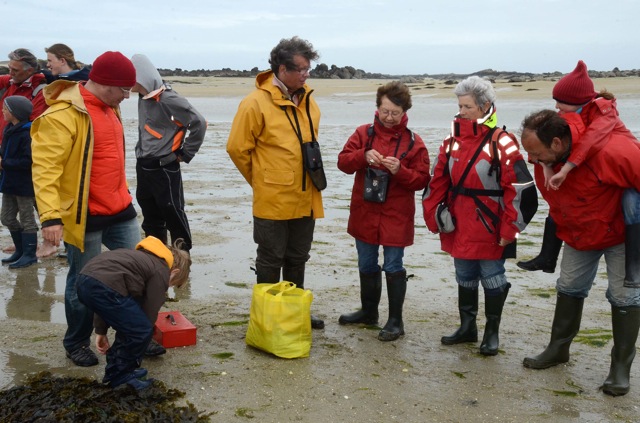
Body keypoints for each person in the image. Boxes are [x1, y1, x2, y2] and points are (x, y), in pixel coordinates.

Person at [30, 51, 142, 367]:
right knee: (84, 283)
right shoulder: (62, 116)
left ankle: (134, 336)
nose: (127, 96)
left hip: (121, 209)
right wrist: (51, 217)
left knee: (136, 275)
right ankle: (76, 342)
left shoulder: (111, 108)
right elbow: (45, 170)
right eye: (124, 89)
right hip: (84, 217)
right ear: (105, 83)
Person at [520, 109, 640, 397]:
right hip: (577, 233)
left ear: (558, 144)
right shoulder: (544, 159)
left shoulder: (614, 152)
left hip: (621, 235)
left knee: (624, 296)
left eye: (536, 154)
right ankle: (557, 349)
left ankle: (620, 368)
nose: (531, 160)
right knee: (569, 287)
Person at [422, 76, 537, 356]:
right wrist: (433, 216)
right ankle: (467, 328)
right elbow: (436, 181)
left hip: (491, 225)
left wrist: (510, 230)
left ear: (485, 107)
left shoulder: (503, 142)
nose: (461, 112)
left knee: (492, 276)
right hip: (458, 223)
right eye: (460, 106)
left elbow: (521, 191)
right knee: (464, 274)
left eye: (467, 106)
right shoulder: (451, 141)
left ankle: (491, 333)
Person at [226, 36, 325, 329]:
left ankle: (294, 314)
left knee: (298, 258)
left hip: (306, 194)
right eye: (302, 69)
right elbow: (236, 148)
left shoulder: (308, 99)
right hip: (272, 199)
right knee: (270, 259)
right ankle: (267, 320)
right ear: (282, 69)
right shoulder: (254, 103)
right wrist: (263, 180)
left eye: (309, 69)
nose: (307, 74)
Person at [517, 60, 640, 290]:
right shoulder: (562, 128)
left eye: (561, 104)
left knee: (632, 205)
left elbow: (590, 142)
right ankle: (547, 256)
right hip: (580, 231)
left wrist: (567, 166)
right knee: (559, 201)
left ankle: (635, 265)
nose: (557, 108)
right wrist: (544, 163)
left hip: (622, 212)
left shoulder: (605, 124)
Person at [337, 81, 430, 341]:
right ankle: (369, 312)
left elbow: (422, 180)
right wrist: (363, 156)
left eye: (395, 113)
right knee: (366, 263)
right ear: (377, 108)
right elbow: (342, 162)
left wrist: (400, 171)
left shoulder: (414, 142)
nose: (389, 118)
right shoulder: (363, 133)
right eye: (385, 111)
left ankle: (395, 321)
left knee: (393, 265)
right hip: (364, 212)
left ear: (405, 112)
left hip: (396, 214)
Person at [77, 236, 191, 390]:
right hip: (104, 286)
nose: (167, 286)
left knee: (132, 326)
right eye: (171, 284)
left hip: (85, 280)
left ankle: (117, 369)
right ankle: (121, 376)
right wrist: (144, 336)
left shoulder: (140, 258)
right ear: (174, 272)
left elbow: (105, 293)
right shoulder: (161, 269)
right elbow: (150, 309)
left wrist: (101, 331)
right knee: (141, 330)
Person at [130, 53, 207, 252]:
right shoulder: (143, 96)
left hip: (165, 166)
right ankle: (156, 257)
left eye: (132, 79)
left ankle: (183, 258)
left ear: (142, 77)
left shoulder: (168, 98)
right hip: (144, 165)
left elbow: (199, 122)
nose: (128, 85)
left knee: (172, 211)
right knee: (150, 214)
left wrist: (184, 153)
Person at [0, 96, 38, 268]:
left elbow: (28, 161)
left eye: (5, 109)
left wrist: (4, 163)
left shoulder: (28, 133)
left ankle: (30, 255)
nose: (2, 111)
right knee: (6, 217)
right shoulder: (9, 129)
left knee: (27, 218)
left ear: (14, 113)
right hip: (9, 182)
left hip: (25, 184)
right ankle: (20, 250)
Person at [0, 49, 47, 134]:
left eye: (15, 70)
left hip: (15, 143)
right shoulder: (13, 81)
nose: (11, 73)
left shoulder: (41, 92)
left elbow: (34, 124)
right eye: (9, 68)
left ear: (30, 70)